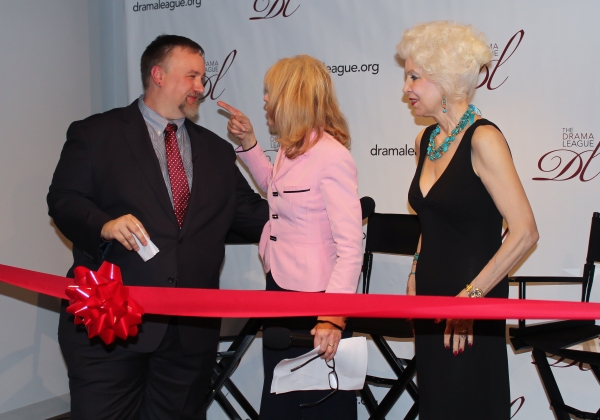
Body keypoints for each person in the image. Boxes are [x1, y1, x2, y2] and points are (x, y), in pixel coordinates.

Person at [47, 35, 268, 419]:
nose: (201, 87)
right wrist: (104, 225)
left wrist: (325, 210)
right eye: (193, 76)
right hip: (109, 328)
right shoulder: (96, 134)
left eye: (202, 78)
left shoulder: (216, 152)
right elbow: (64, 201)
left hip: (188, 338)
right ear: (159, 75)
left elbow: (258, 216)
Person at [398, 21, 539, 419]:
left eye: (414, 76)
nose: (405, 88)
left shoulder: (483, 139)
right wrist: (413, 271)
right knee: (439, 406)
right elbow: (431, 220)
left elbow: (525, 232)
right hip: (430, 298)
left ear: (444, 79)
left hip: (474, 301)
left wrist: (472, 299)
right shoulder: (425, 141)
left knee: (469, 405)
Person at [217, 54, 363, 420]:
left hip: (316, 298)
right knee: (281, 393)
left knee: (316, 401)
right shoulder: (289, 146)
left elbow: (350, 247)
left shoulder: (332, 156)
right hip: (280, 288)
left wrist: (332, 317)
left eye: (270, 92)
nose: (264, 100)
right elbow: (274, 189)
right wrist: (249, 142)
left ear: (291, 95)